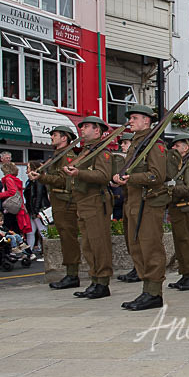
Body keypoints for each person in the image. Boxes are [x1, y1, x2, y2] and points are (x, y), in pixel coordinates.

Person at [113, 106, 168, 311]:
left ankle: (154, 292)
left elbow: (157, 175)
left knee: (150, 247)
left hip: (149, 202)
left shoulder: (154, 144)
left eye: (135, 118)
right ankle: (147, 290)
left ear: (147, 121)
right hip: (134, 202)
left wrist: (131, 178)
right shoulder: (137, 143)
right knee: (137, 247)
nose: (131, 121)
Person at [62, 117, 114, 300]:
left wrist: (79, 173)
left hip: (95, 201)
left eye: (86, 127)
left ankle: (103, 282)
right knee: (88, 244)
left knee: (99, 243)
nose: (82, 129)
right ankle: (95, 279)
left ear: (97, 131)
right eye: (81, 127)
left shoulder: (101, 151)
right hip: (83, 201)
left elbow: (103, 175)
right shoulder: (86, 150)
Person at [29, 125, 83, 290]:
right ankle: (70, 273)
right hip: (60, 201)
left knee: (69, 238)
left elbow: (63, 180)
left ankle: (72, 275)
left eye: (55, 135)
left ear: (64, 138)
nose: (52, 137)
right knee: (65, 237)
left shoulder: (67, 156)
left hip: (66, 201)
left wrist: (43, 178)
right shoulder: (57, 156)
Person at [166, 134, 189, 292]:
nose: (173, 148)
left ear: (186, 147)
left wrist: (170, 189)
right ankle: (185, 273)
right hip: (178, 206)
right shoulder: (181, 162)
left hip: (187, 206)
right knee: (180, 242)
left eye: (177, 145)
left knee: (188, 241)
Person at [115, 132, 139, 283]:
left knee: (137, 238)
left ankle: (140, 269)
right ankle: (136, 267)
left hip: (137, 200)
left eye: (125, 142)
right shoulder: (124, 160)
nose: (122, 145)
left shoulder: (135, 159)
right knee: (129, 237)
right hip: (127, 200)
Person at [0, 162, 32, 238]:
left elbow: (12, 191)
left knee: (9, 228)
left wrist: (0, 195)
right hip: (17, 207)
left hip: (10, 207)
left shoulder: (8, 179)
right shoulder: (15, 180)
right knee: (16, 228)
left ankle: (13, 246)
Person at [23, 160, 50, 259]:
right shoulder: (31, 181)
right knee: (31, 232)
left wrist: (37, 210)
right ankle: (29, 253)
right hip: (32, 209)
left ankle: (47, 253)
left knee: (42, 231)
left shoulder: (38, 180)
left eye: (28, 167)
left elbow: (38, 196)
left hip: (37, 209)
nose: (27, 170)